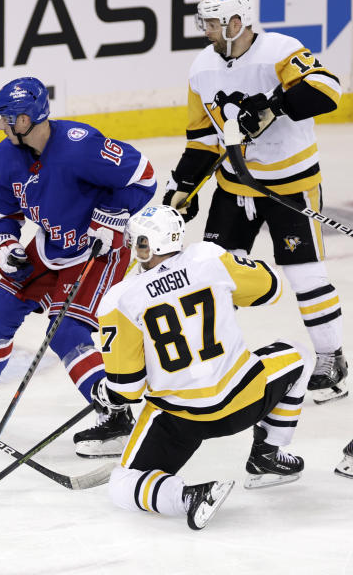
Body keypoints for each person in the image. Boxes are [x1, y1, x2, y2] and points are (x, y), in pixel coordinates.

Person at [0, 76, 156, 459]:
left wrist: (114, 216)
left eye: (8, 118)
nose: (1, 125)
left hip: (98, 250)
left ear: (27, 120)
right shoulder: (5, 155)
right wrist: (5, 242)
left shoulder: (80, 145)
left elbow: (143, 177)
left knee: (66, 330)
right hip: (51, 246)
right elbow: (2, 213)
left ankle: (117, 416)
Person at [162, 0, 346, 406]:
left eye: (211, 21)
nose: (204, 28)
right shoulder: (201, 69)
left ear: (236, 22)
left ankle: (329, 357)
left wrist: (274, 104)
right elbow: (204, 140)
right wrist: (184, 189)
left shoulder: (280, 50)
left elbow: (327, 89)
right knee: (209, 275)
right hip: (234, 188)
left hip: (292, 187)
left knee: (304, 275)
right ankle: (211, 363)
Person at [97, 205, 314, 529]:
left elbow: (128, 388)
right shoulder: (209, 259)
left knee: (122, 484)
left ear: (149, 245)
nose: (134, 247)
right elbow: (273, 288)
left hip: (180, 418)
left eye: (138, 241)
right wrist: (225, 292)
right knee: (298, 355)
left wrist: (106, 390)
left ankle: (186, 497)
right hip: (244, 399)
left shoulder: (121, 299)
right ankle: (267, 454)